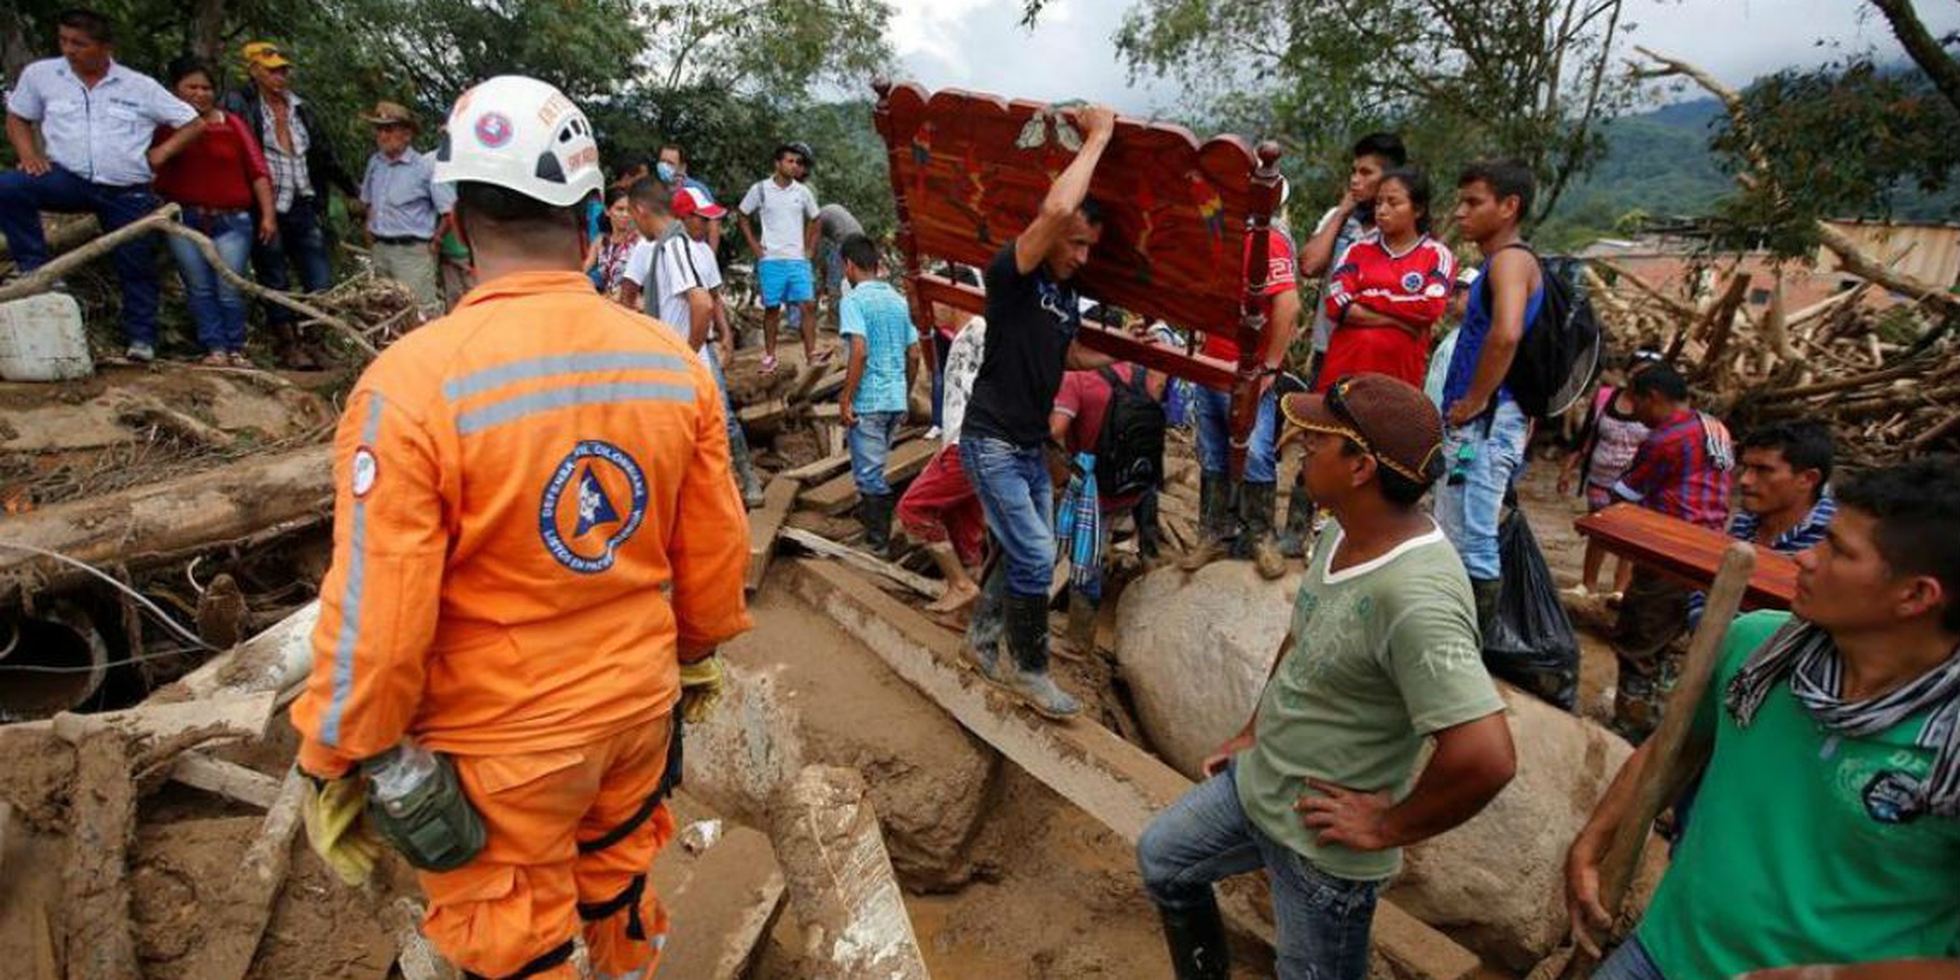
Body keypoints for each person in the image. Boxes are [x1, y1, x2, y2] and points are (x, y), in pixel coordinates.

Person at [290, 75, 751, 980]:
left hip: (501, 747)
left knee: (514, 945)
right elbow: (715, 551)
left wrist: (334, 752)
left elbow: (378, 618)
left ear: (454, 225)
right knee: (618, 891)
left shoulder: (412, 385)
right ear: (590, 220)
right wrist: (692, 651)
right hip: (635, 713)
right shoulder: (672, 367)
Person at [1138, 373, 1516, 980]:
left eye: (1319, 437)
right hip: (1261, 784)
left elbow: (1488, 756)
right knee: (1162, 859)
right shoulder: (1344, 529)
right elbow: (1305, 633)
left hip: (1321, 846)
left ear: (1361, 465)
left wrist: (1387, 826)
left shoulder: (1419, 598)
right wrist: (1254, 729)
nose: (1300, 443)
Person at [1564, 456, 1960, 980]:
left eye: (1838, 550)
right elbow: (1672, 749)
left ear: (1915, 595)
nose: (1806, 561)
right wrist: (1593, 843)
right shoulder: (1757, 649)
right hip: (1661, 955)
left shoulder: (1947, 742)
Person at [957, 104, 1120, 721]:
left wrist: (1121, 356)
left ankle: (981, 640)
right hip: (992, 439)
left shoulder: (1063, 293)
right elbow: (1055, 211)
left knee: (1030, 550)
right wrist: (1098, 137)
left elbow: (1066, 351)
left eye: (1089, 246)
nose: (1081, 254)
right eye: (1075, 242)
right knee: (1029, 554)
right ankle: (1030, 671)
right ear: (1051, 235)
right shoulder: (1014, 273)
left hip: (1028, 447)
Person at [0, 8, 205, 363]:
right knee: (11, 186)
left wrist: (162, 151)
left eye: (79, 43)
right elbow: (18, 116)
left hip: (127, 188)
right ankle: (37, 269)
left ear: (104, 47)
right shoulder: (42, 76)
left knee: (135, 263)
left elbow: (191, 122)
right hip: (69, 178)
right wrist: (28, 153)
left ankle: (141, 339)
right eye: (64, 40)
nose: (69, 49)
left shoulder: (137, 86)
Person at [1277, 131, 1406, 558]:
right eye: (1354, 171)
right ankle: (1297, 529)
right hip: (1327, 350)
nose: (1356, 179)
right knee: (1315, 438)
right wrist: (1345, 210)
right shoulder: (1342, 218)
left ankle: (1350, 536)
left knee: (1367, 450)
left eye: (1366, 172)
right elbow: (1310, 264)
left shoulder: (1401, 230)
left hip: (1376, 362)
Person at [1436, 158, 1543, 633]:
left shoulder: (1513, 262)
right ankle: (1447, 633)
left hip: (1491, 419)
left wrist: (1478, 398)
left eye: (1473, 202)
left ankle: (1469, 650)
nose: (1461, 212)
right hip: (1476, 420)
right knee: (1453, 531)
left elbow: (1506, 333)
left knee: (1476, 538)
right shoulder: (1496, 264)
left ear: (1509, 207)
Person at [1606, 362, 1735, 743]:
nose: (1636, 413)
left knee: (1638, 636)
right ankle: (1663, 718)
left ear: (1654, 398)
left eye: (1637, 402)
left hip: (1667, 548)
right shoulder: (1716, 427)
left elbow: (1626, 492)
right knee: (1673, 636)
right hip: (1709, 548)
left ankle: (1630, 724)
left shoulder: (1665, 438)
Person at [620, 181, 766, 507]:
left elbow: (703, 303)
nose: (710, 226)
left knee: (712, 423)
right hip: (674, 356)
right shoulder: (658, 247)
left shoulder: (677, 246)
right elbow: (630, 293)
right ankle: (702, 496)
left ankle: (727, 491)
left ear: (640, 212)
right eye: (704, 218)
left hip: (685, 358)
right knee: (695, 430)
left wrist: (688, 352)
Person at [1181, 186, 1301, 580]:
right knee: (1213, 450)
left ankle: (1260, 535)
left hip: (1246, 369)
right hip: (1211, 363)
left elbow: (1288, 303)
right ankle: (1213, 533)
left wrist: (1269, 366)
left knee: (1256, 452)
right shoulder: (1217, 235)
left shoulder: (1265, 240)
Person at [226, 41, 363, 370]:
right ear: (254, 71)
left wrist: (351, 190)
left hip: (304, 202)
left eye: (283, 69)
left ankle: (315, 341)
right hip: (265, 205)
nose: (280, 76)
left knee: (319, 277)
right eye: (272, 69)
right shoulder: (240, 105)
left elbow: (324, 155)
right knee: (274, 275)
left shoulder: (302, 109)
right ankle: (287, 346)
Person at [152, 55, 276, 366]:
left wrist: (268, 215)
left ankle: (235, 348)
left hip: (232, 220)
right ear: (175, 90)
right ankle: (214, 349)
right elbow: (152, 167)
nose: (199, 94)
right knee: (199, 287)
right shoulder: (165, 128)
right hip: (184, 219)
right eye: (191, 87)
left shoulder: (233, 124)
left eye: (206, 87)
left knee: (229, 285)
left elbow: (258, 170)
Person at [1051, 348, 1166, 651]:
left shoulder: (1077, 377)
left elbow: (1056, 431)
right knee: (1093, 553)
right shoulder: (1145, 374)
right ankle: (1080, 629)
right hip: (1134, 485)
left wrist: (1060, 477)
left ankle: (1078, 638)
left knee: (1084, 557)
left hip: (1094, 489)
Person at [1683, 420, 1837, 626]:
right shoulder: (1746, 522)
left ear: (1807, 479)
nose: (1745, 480)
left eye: (1763, 470)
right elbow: (1708, 584)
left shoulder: (1833, 541)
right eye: (1745, 467)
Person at [1320, 166, 1454, 389]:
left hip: (1396, 385)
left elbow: (1431, 306)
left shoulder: (1436, 255)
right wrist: (1398, 320)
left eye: (1393, 203)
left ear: (1418, 209)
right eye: (1378, 202)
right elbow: (1336, 305)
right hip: (1340, 378)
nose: (1381, 210)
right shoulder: (1357, 251)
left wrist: (1367, 297)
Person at [899, 311, 989, 615]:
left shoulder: (979, 330)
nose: (929, 310)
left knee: (913, 508)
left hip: (969, 444)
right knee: (965, 524)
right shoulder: (964, 334)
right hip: (971, 443)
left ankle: (961, 585)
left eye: (932, 302)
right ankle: (967, 607)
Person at [837, 233, 921, 552]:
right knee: (876, 467)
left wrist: (846, 398)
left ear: (848, 265)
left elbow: (859, 350)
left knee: (869, 475)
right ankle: (878, 531)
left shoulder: (854, 300)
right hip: (895, 400)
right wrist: (906, 390)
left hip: (869, 401)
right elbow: (914, 353)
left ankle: (878, 543)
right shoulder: (898, 300)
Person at [1558, 350, 1662, 598]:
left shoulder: (1655, 410)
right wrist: (1567, 470)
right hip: (1600, 478)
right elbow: (1585, 435)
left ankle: (1619, 590)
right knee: (1599, 530)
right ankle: (1588, 584)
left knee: (1629, 536)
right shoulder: (1605, 397)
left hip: (1634, 484)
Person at [359, 101, 455, 321]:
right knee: (382, 313)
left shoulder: (424, 167)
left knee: (419, 314)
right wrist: (370, 240)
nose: (383, 135)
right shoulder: (375, 164)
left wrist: (435, 242)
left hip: (413, 252)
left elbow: (449, 211)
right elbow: (369, 204)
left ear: (407, 134)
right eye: (380, 129)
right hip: (381, 249)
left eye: (389, 129)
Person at [737, 142, 820, 374]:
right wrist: (755, 246)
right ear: (777, 163)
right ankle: (770, 356)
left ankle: (811, 354)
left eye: (797, 162)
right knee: (772, 309)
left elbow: (816, 218)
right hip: (771, 259)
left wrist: (810, 249)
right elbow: (742, 214)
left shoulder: (803, 192)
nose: (794, 165)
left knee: (808, 305)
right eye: (789, 161)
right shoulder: (760, 190)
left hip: (797, 259)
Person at [656, 143, 717, 249]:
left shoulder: (696, 189)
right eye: (662, 161)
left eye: (670, 163)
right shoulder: (653, 190)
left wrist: (710, 258)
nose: (664, 166)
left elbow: (713, 224)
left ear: (682, 167)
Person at [586, 186, 636, 300]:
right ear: (607, 211)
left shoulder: (638, 242)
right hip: (606, 302)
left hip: (630, 306)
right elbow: (584, 270)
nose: (625, 214)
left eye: (629, 210)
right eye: (620, 209)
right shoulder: (600, 241)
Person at [817, 202, 864, 308]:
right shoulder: (829, 209)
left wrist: (824, 282)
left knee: (834, 282)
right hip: (861, 238)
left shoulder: (818, 218)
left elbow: (819, 253)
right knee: (856, 279)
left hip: (844, 240)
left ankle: (835, 315)